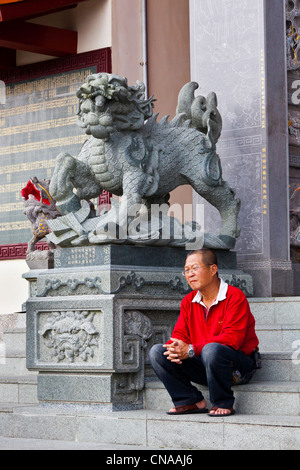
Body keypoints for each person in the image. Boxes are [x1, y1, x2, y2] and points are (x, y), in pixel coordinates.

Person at [148, 248, 259, 417]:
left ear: (213, 269)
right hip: (205, 364)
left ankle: (222, 402)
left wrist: (191, 349)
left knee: (212, 349)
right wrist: (174, 348)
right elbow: (180, 335)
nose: (190, 274)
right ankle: (189, 400)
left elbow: (232, 339)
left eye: (195, 268)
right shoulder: (188, 301)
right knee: (158, 352)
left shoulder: (234, 297)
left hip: (237, 368)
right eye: (186, 270)